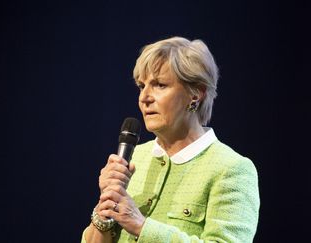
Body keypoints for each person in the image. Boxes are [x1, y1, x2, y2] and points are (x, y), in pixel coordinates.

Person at [81, 36, 260, 243]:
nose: (145, 97)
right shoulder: (133, 159)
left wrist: (140, 226)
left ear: (196, 94)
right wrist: (104, 212)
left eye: (160, 85)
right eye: (141, 86)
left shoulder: (231, 168)